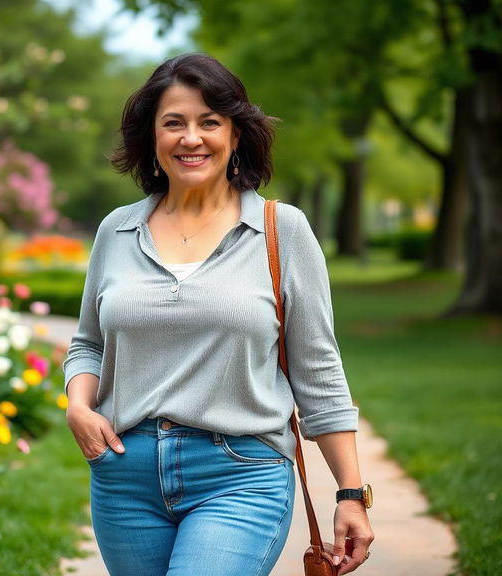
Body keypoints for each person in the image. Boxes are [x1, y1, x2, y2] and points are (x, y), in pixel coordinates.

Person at [63, 52, 374, 576]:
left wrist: (350, 493)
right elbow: (88, 343)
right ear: (152, 139)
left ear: (235, 135)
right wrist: (78, 406)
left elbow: (318, 369)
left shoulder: (282, 230)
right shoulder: (115, 231)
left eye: (210, 121)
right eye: (174, 123)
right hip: (124, 477)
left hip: (240, 473)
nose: (191, 137)